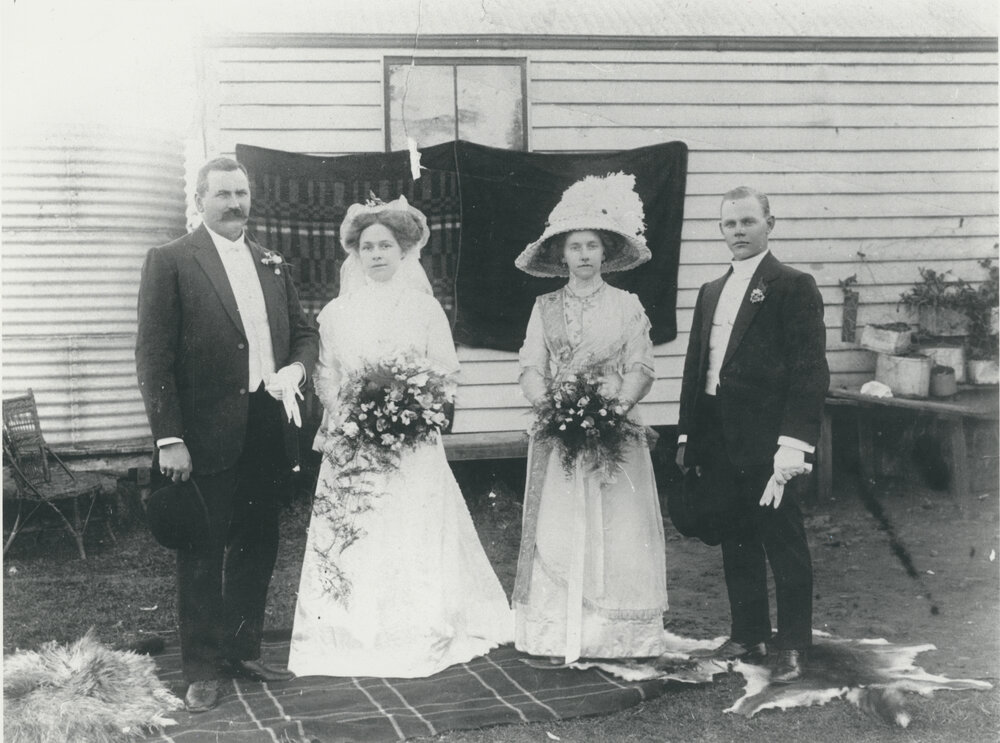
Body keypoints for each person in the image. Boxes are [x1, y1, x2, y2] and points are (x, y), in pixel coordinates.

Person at [287, 195, 512, 678]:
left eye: (385, 245)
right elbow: (326, 373)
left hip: (410, 444)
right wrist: (352, 414)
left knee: (412, 529)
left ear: (403, 251)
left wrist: (409, 411)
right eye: (367, 247)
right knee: (358, 532)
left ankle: (414, 627)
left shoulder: (424, 309)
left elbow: (445, 371)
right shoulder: (335, 313)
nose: (376, 254)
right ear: (355, 254)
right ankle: (350, 629)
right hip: (354, 440)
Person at [135, 157, 319, 712]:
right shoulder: (170, 260)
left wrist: (297, 369)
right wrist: (170, 438)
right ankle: (203, 668)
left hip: (267, 425)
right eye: (222, 194)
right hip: (204, 431)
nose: (234, 203)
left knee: (257, 543)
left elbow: (304, 332)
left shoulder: (271, 261)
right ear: (200, 199)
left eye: (241, 193)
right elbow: (153, 357)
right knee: (201, 548)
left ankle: (242, 650)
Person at [673, 186, 829, 683]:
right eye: (728, 224)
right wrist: (686, 435)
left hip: (768, 438)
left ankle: (794, 645)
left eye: (746, 222)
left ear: (769, 224)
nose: (737, 232)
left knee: (782, 538)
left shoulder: (792, 286)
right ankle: (750, 633)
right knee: (736, 536)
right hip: (718, 432)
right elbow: (698, 366)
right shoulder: (710, 291)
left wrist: (794, 443)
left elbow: (810, 373)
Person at [512, 172, 669, 664]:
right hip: (560, 431)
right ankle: (558, 632)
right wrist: (553, 410)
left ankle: (617, 635)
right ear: (561, 255)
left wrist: (613, 412)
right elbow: (531, 366)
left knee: (618, 526)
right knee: (559, 527)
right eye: (575, 246)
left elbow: (641, 365)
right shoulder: (544, 307)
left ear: (606, 254)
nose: (583, 255)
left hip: (614, 431)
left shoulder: (627, 305)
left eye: (593, 246)